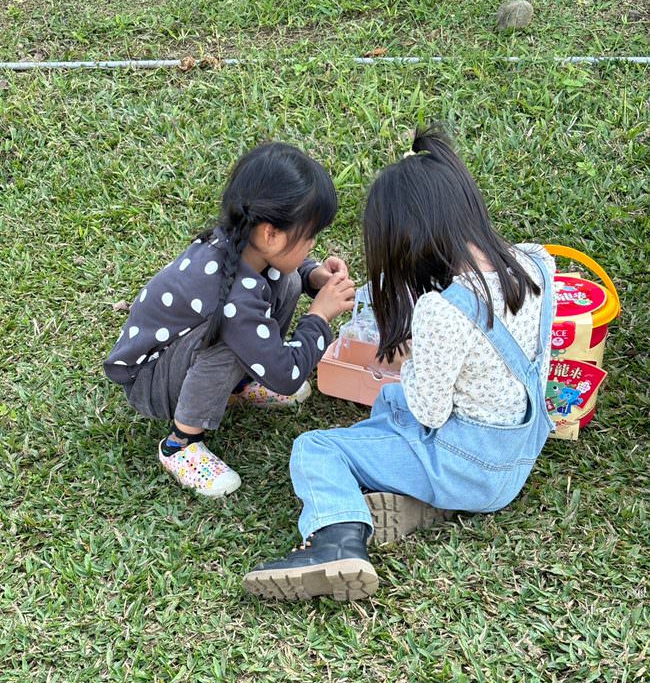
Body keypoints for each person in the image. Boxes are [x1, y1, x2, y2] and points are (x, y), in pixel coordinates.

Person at [244, 125, 556, 601]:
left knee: (317, 448)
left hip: (465, 463)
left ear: (408, 237)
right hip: (515, 459)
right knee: (391, 402)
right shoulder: (536, 264)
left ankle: (336, 540)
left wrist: (413, 357)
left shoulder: (443, 310)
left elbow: (430, 411)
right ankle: (425, 500)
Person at [104, 142, 355, 497]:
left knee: (287, 282)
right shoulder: (235, 298)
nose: (313, 244)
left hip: (178, 353)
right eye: (309, 236)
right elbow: (287, 376)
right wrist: (319, 316)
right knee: (229, 339)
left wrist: (313, 276)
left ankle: (239, 385)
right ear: (270, 234)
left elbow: (286, 268)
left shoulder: (238, 243)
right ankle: (181, 443)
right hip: (151, 381)